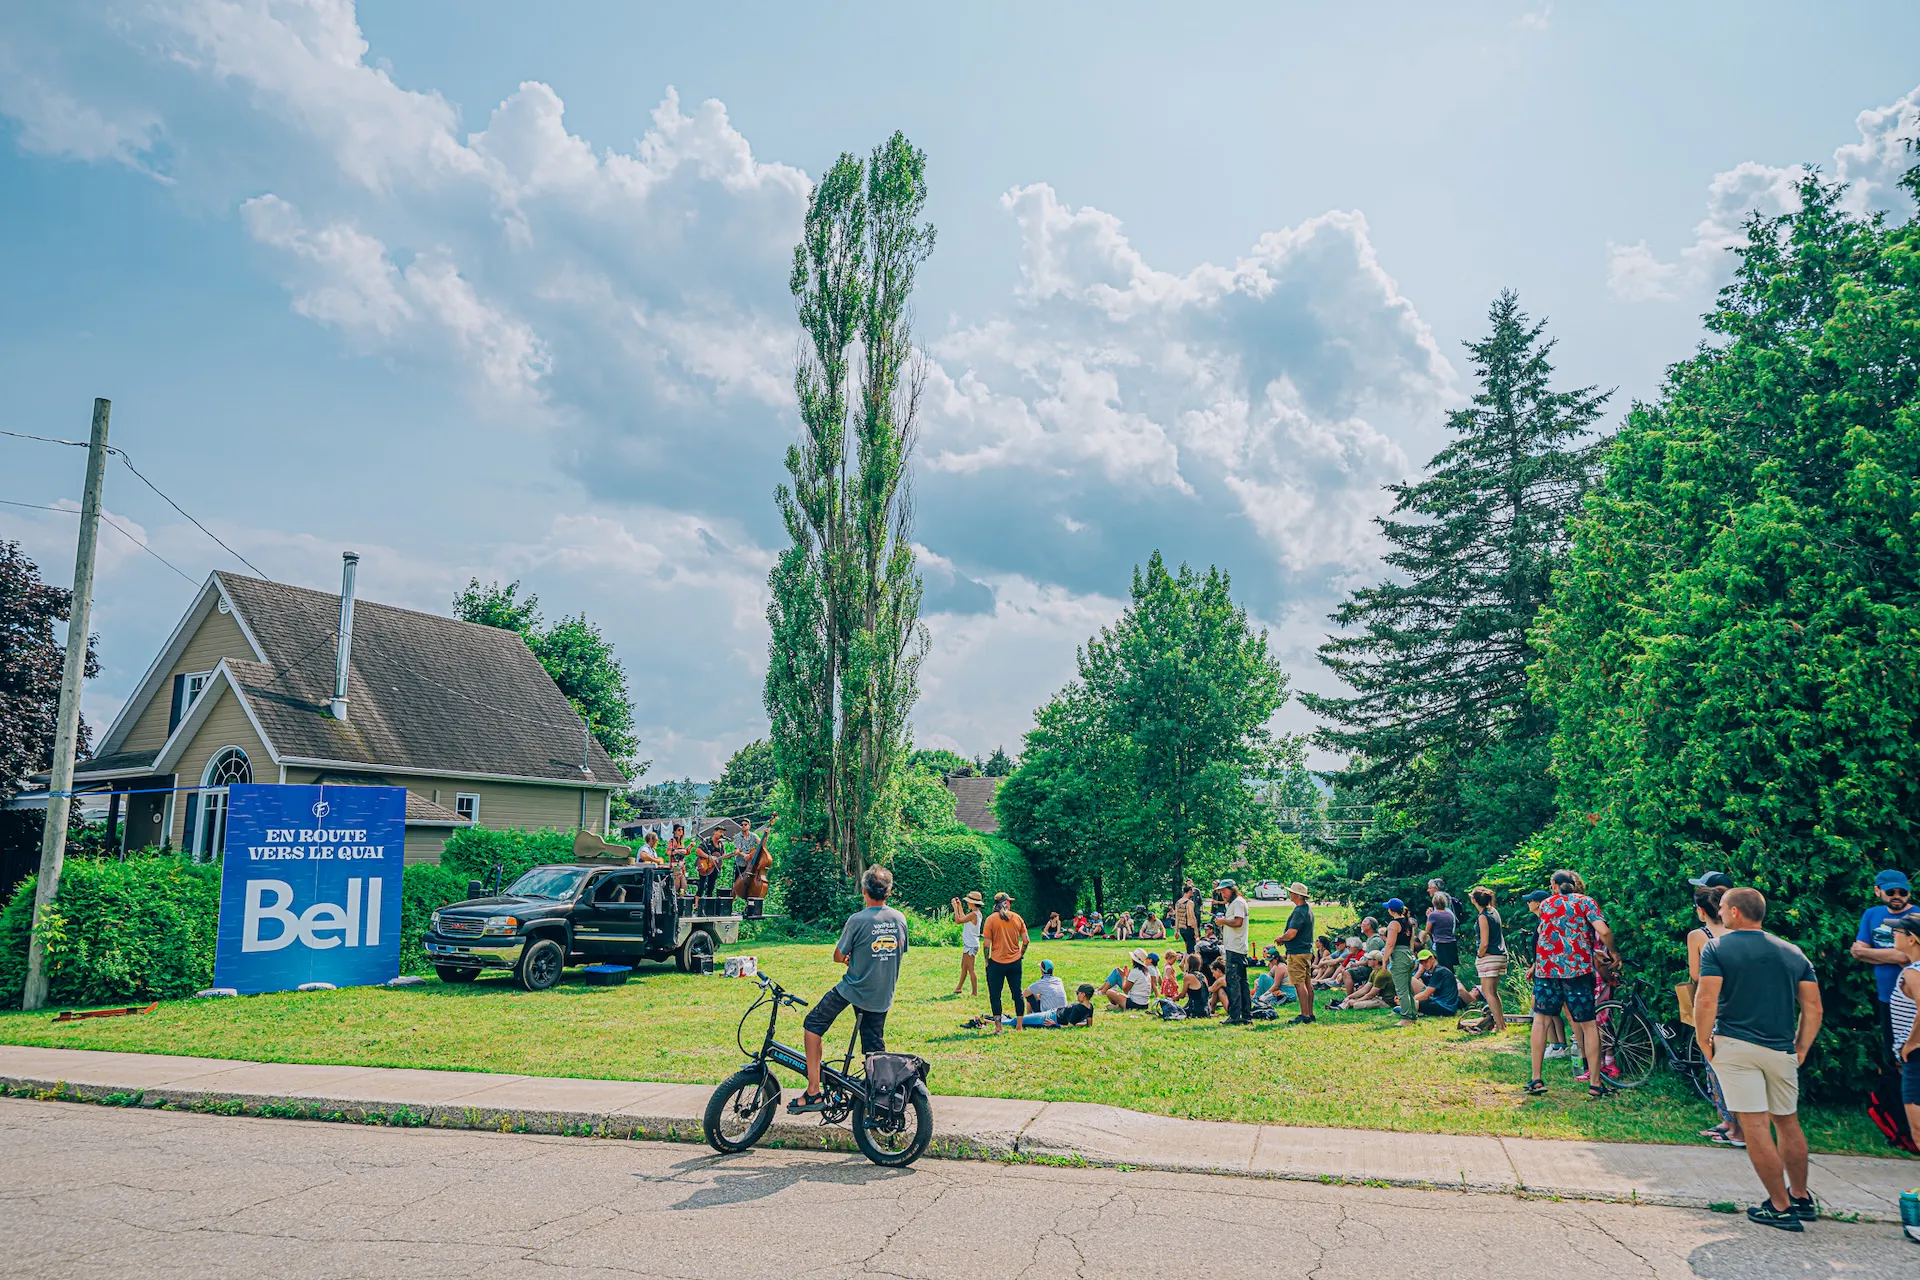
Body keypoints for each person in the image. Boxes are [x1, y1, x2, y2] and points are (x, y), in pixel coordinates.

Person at [1693, 886, 1823, 1232]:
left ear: (1735, 911)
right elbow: (1813, 1006)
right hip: (1781, 1048)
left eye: (1722, 907)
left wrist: (1703, 1040)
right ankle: (1800, 1196)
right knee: (1787, 1122)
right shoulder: (1792, 952)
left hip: (1736, 1045)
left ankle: (1779, 1207)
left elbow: (1707, 999)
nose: (1719, 912)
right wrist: (1801, 1046)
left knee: (1754, 1126)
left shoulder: (1717, 947)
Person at [790, 866, 907, 1114]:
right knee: (873, 1050)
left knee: (813, 1024)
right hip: (882, 994)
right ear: (889, 892)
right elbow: (894, 951)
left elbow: (838, 955)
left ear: (864, 892)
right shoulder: (899, 919)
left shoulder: (857, 920)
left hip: (854, 988)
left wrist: (851, 957)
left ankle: (813, 1091)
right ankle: (878, 1100)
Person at [1526, 871, 1617, 1099]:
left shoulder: (1546, 905)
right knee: (1588, 1025)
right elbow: (1603, 930)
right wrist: (1613, 952)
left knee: (1541, 1020)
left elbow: (1545, 933)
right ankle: (1595, 1083)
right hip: (1578, 971)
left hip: (1547, 971)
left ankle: (1536, 1078)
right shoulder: (1586, 902)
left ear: (1554, 886)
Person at [1686, 876, 1743, 1147]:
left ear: (1701, 910)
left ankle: (1731, 1125)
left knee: (1715, 1064)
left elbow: (1696, 974)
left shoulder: (1699, 936)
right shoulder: (1737, 932)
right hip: (1737, 1002)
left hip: (1711, 1003)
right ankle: (1733, 1123)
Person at [1852, 869, 1919, 1068]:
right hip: (1887, 997)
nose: (1897, 897)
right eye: (1891, 892)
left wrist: (1870, 954)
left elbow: (1906, 957)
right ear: (1877, 891)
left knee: (1912, 1055)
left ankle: (1910, 1099)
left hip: (1913, 998)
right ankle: (1896, 1099)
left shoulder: (1916, 917)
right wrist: (1894, 957)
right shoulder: (1872, 914)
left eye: (1902, 892)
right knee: (1892, 1055)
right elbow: (1857, 952)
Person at [1888, 916, 1920, 1162]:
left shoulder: (1912, 973)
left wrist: (1911, 1043)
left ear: (1912, 938)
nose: (1892, 934)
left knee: (1918, 1132)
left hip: (1916, 1056)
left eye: (1897, 931)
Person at [981, 892, 1029, 1035]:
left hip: (996, 962)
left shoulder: (990, 920)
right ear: (1006, 903)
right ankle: (1019, 1026)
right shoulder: (1017, 918)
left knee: (995, 995)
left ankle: (998, 1028)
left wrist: (986, 961)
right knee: (1017, 993)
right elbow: (1026, 941)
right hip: (1015, 962)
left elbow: (986, 945)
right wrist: (1021, 954)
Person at [1470, 886, 1510, 1033]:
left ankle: (1499, 1026)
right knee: (1493, 992)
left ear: (1474, 900)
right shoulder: (1494, 911)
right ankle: (1502, 1023)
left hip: (1489, 956)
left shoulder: (1483, 916)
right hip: (1501, 954)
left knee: (1488, 992)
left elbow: (1484, 942)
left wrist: (1480, 955)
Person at [1214, 880, 1253, 1025]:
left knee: (1234, 982)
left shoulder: (1237, 903)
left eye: (1224, 891)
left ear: (1232, 890)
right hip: (1237, 947)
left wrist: (1223, 921)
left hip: (1235, 948)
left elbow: (1238, 922)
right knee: (1242, 982)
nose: (1222, 895)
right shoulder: (1237, 902)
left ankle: (1236, 1015)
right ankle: (1246, 1014)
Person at [1278, 882, 1316, 1026]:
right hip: (1306, 951)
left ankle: (1304, 1014)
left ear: (1297, 895)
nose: (1290, 894)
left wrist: (1281, 938)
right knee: (1307, 982)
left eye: (1292, 892)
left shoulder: (1299, 911)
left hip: (1297, 952)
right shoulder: (1307, 910)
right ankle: (1310, 1013)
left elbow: (1292, 933)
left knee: (1299, 983)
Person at [1381, 898, 1420, 1028]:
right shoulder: (1408, 922)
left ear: (1391, 910)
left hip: (1399, 956)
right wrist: (1412, 956)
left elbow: (1390, 944)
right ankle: (1413, 1014)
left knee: (1401, 989)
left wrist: (1385, 960)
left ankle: (1406, 1017)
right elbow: (1411, 942)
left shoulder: (1394, 924)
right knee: (1408, 988)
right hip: (1408, 955)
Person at [1017, 983, 1097, 1029]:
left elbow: (1069, 1026)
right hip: (1055, 1012)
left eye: (1077, 993)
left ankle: (1004, 1020)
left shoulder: (1078, 1008)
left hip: (1052, 1016)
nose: (1077, 995)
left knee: (1019, 1020)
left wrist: (1055, 1024)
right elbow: (1088, 1024)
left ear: (1083, 995)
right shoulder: (1090, 1007)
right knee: (1025, 1019)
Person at [1408, 950, 1462, 1017]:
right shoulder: (1440, 970)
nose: (1424, 964)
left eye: (1426, 961)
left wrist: (1408, 1000)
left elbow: (1425, 995)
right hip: (1446, 1005)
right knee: (1413, 1002)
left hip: (1445, 1008)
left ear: (1432, 959)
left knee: (1412, 1004)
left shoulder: (1439, 972)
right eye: (1422, 962)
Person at [952, 891, 983, 997]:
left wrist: (955, 908)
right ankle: (959, 988)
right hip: (970, 944)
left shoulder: (974, 914)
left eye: (968, 902)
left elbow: (958, 920)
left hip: (971, 945)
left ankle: (974, 992)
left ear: (973, 903)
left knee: (970, 968)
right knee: (964, 966)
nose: (967, 904)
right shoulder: (975, 913)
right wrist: (959, 907)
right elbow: (964, 919)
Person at [1424, 891, 1460, 974]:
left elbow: (1427, 930)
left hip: (1440, 943)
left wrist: (1428, 917)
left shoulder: (1433, 915)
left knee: (1442, 967)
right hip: (1451, 942)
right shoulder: (1450, 914)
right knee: (1450, 966)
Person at [1182, 954, 1212, 1019]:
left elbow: (1182, 995)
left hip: (1195, 1010)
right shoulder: (1203, 976)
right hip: (1206, 1010)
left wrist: (1175, 998)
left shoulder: (1188, 977)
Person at [1174, 883, 1199, 958]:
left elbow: (1177, 917)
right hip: (1189, 928)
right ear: (1190, 891)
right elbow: (1191, 917)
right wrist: (1196, 931)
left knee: (1187, 948)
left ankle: (1184, 965)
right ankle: (1187, 966)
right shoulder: (1189, 903)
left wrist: (1176, 930)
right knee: (1191, 951)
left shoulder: (1178, 902)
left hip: (1182, 928)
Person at [666, 823, 690, 896]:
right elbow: (669, 852)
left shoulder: (681, 842)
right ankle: (674, 898)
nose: (681, 831)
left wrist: (690, 847)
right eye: (679, 830)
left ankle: (681, 899)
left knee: (684, 886)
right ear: (675, 832)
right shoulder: (672, 841)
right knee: (677, 884)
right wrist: (679, 851)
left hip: (682, 866)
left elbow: (686, 853)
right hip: (675, 865)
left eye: (682, 830)